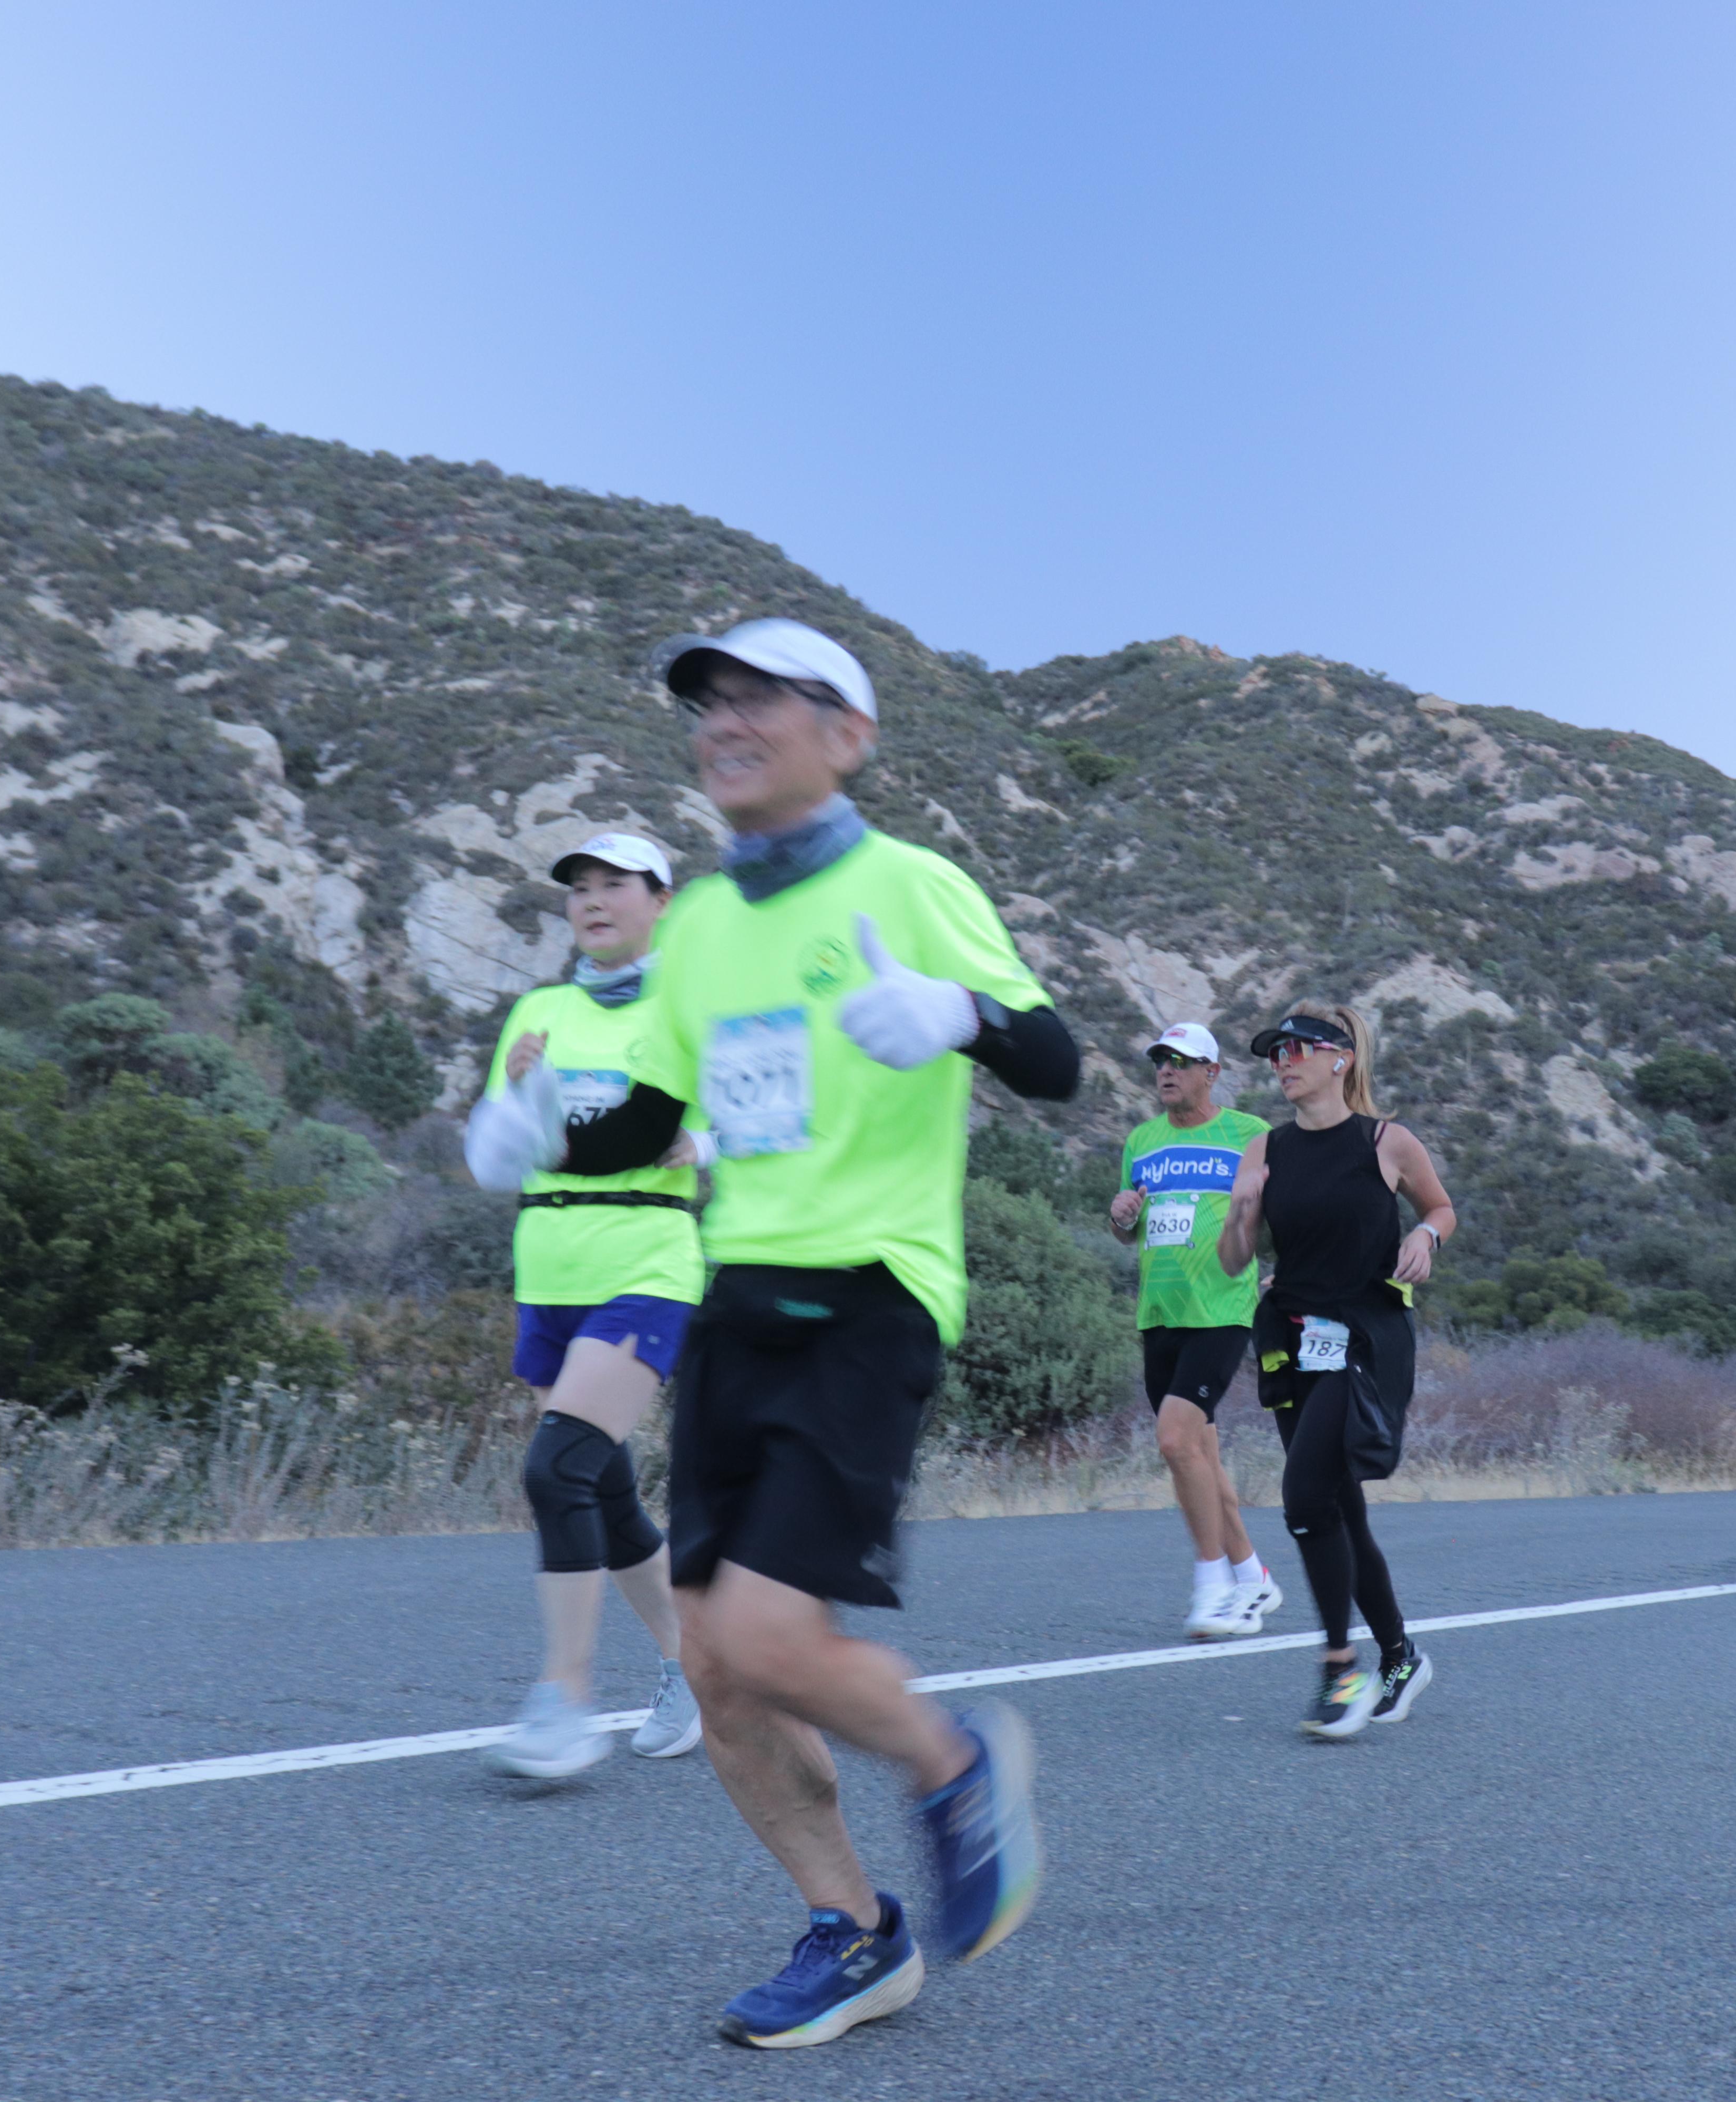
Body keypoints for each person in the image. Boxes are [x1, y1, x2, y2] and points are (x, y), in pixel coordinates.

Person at [488, 617, 1078, 2047]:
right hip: (736, 1301)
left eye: (764, 697)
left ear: (848, 735)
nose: (727, 721)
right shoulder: (698, 926)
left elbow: (1054, 1060)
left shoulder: (911, 883)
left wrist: (958, 1014)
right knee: (713, 1664)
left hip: (871, 1292)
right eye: (710, 701)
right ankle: (854, 1932)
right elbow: (655, 1114)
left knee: (765, 1628)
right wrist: (537, 1126)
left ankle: (954, 1762)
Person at [477, 832, 706, 1776]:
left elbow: (757, 1114)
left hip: (645, 1264)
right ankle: (694, 1665)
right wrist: (518, 1101)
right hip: (549, 1273)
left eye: (616, 884)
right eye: (579, 887)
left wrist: (709, 1143)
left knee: (557, 1469)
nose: (594, 900)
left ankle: (564, 1702)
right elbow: (498, 1155)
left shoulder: (690, 1005)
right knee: (604, 1493)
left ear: (662, 901)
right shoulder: (539, 1011)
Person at [1216, 1005, 1457, 1740]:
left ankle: (1339, 1668)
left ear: (1340, 1058)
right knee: (1338, 1508)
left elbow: (1442, 1208)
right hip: (1293, 1339)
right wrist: (1242, 1214)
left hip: (1367, 1338)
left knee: (1302, 1496)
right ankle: (1401, 1657)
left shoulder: (1387, 1142)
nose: (1283, 1063)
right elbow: (1234, 1261)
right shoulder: (1264, 1149)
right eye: (1275, 1054)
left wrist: (1425, 1234)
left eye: (1296, 1050)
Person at [1109, 1022, 1283, 1639]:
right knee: (1201, 1456)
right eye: (1161, 1060)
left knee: (1175, 1442)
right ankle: (1253, 1575)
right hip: (1160, 1314)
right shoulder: (1142, 1140)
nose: (1167, 1070)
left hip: (1222, 1309)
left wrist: (1290, 1274)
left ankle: (1212, 1587)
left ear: (1212, 1072)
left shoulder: (1250, 1134)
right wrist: (1120, 1215)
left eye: (1182, 1061)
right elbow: (1127, 1226)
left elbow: (1294, 1209)